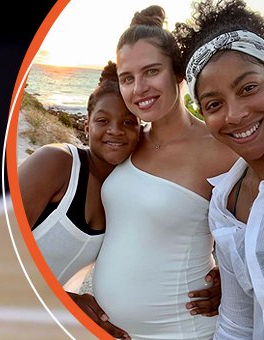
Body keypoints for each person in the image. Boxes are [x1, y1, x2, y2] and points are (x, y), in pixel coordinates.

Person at [90, 5, 239, 339]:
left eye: (151, 72)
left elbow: (261, 227)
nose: (138, 88)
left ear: (177, 73)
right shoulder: (127, 143)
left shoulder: (220, 148)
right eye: (127, 78)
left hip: (182, 329)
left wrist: (230, 278)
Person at [174, 0, 264, 338]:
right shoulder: (224, 204)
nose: (234, 115)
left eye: (248, 88)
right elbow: (238, 322)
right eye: (214, 104)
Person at [19, 61, 140, 339]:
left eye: (127, 122)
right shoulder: (56, 163)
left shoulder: (129, 191)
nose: (115, 130)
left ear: (140, 130)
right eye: (102, 120)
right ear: (86, 125)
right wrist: (68, 302)